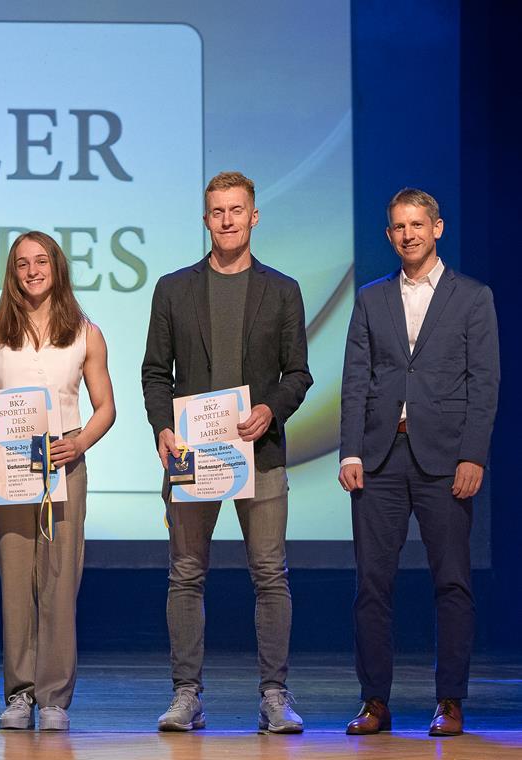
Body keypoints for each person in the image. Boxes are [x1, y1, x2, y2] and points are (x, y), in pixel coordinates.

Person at [141, 171, 312, 733]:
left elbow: (298, 374)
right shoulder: (173, 289)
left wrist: (270, 409)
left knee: (270, 574)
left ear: (254, 216)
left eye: (237, 210)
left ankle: (274, 697)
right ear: (206, 219)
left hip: (259, 454)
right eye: (218, 211)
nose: (228, 220)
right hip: (192, 455)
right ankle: (186, 695)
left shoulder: (282, 289)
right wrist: (164, 430)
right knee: (186, 574)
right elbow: (155, 373)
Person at [339, 189, 499, 737]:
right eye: (398, 227)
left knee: (451, 582)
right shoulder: (371, 298)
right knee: (371, 585)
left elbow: (485, 383)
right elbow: (355, 380)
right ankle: (374, 702)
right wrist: (351, 450)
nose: (408, 234)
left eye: (417, 224)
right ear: (389, 235)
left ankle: (449, 701)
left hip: (445, 459)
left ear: (437, 228)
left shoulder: (472, 297)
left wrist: (472, 454)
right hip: (380, 458)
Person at [0, 231, 116, 731]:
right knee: (15, 584)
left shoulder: (86, 332)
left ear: (57, 267)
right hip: (9, 467)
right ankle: (20, 694)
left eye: (41, 261)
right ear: (12, 273)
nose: (32, 271)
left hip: (63, 464)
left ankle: (54, 698)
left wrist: (80, 442)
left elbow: (106, 407)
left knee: (58, 582)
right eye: (22, 263)